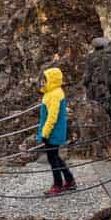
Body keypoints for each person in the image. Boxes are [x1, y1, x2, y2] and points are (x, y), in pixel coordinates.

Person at [37, 67, 76, 195]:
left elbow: (52, 116)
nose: (42, 82)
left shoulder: (54, 95)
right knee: (55, 157)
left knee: (53, 159)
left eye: (45, 80)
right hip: (54, 131)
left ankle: (58, 184)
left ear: (52, 80)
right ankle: (69, 180)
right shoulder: (53, 92)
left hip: (52, 132)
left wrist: (45, 133)